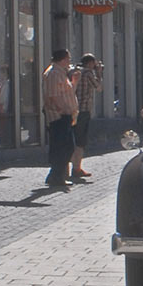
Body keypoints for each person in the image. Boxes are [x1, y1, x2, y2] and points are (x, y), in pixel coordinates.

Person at [42, 48, 78, 188]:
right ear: (62, 59)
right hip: (59, 116)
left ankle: (56, 175)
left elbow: (66, 93)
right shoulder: (54, 73)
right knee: (63, 147)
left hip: (66, 115)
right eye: (68, 59)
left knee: (67, 146)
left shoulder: (61, 73)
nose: (69, 62)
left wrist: (74, 82)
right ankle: (56, 176)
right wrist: (62, 110)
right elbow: (52, 96)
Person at [68, 54, 102, 182]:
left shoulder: (72, 71)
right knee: (81, 139)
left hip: (71, 109)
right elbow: (98, 87)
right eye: (94, 64)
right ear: (90, 63)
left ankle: (69, 167)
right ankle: (77, 168)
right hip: (83, 110)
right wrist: (98, 73)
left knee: (71, 137)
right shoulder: (88, 73)